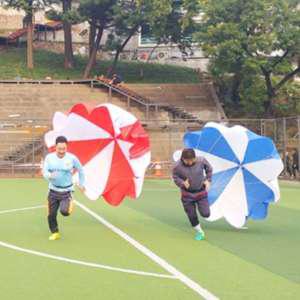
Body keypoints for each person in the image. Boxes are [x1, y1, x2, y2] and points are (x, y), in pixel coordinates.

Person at [42, 136, 85, 241]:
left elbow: (81, 170)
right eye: (59, 149)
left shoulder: (72, 158)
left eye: (64, 149)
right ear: (55, 147)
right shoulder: (49, 158)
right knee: (51, 214)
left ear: (67, 147)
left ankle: (70, 201)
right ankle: (55, 232)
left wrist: (81, 183)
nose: (61, 151)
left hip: (66, 191)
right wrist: (49, 175)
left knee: (65, 212)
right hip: (53, 190)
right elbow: (44, 172)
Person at [172, 148, 212, 241]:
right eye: (187, 161)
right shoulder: (177, 166)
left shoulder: (201, 160)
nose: (190, 163)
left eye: (192, 160)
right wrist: (182, 183)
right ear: (182, 159)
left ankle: (202, 208)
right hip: (187, 195)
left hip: (201, 192)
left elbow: (209, 169)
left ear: (195, 158)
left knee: (206, 214)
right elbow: (175, 177)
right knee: (192, 215)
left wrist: (208, 180)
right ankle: (200, 231)